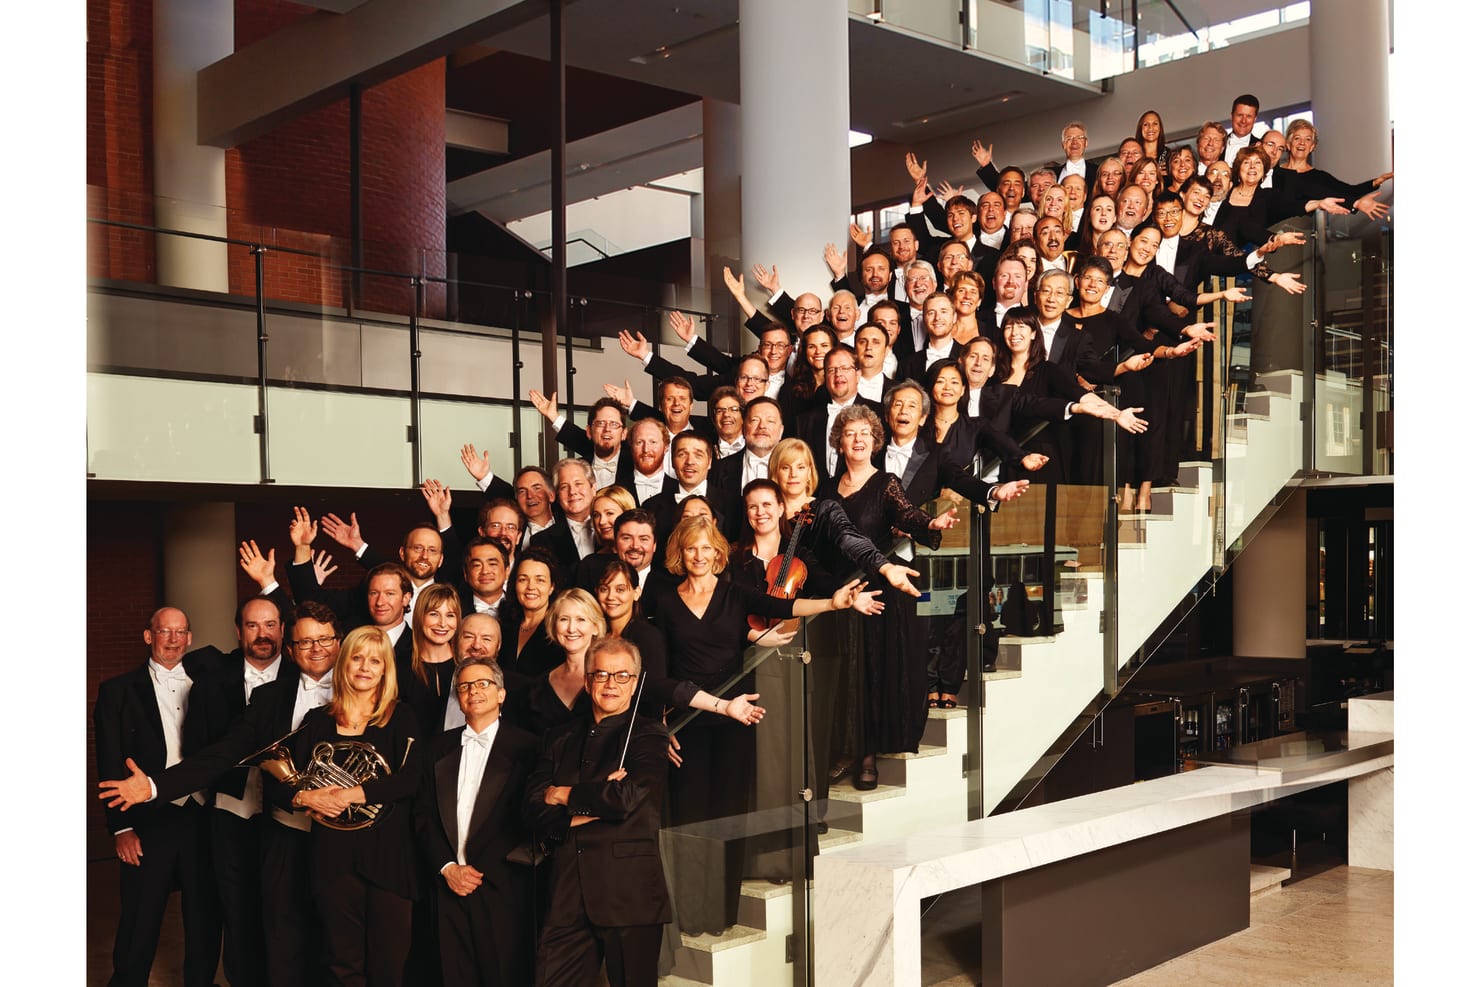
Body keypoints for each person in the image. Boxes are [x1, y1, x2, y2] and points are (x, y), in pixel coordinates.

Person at [646, 516, 876, 935]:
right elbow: (659, 672)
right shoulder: (663, 601)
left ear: (718, 554)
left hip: (736, 716)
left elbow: (784, 607)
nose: (699, 556)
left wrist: (832, 603)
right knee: (689, 821)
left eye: (707, 548)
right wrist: (661, 725)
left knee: (728, 817)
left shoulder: (734, 594)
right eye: (691, 548)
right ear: (680, 553)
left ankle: (719, 914)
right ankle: (688, 915)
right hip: (688, 722)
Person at [97, 601, 346, 987]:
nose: (316, 649)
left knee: (327, 923)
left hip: (335, 831)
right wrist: (148, 792)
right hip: (230, 815)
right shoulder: (243, 688)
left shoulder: (359, 684)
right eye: (251, 625)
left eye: (324, 640)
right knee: (251, 915)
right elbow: (216, 753)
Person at [823, 405, 957, 790]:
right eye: (850, 433)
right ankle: (842, 748)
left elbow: (908, 515)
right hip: (839, 594)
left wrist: (931, 523)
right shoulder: (828, 489)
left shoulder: (887, 482)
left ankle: (866, 756)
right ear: (840, 442)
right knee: (842, 678)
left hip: (880, 591)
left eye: (865, 432)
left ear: (875, 440)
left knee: (870, 675)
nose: (859, 439)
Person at [525, 636, 672, 987]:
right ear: (588, 680)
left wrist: (562, 793)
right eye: (602, 675)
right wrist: (587, 803)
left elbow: (624, 798)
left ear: (635, 683)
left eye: (621, 676)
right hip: (565, 893)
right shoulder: (558, 737)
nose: (610, 684)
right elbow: (530, 808)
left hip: (628, 893)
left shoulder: (650, 735)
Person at [93, 606, 222, 987]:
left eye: (180, 632)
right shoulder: (116, 691)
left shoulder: (212, 680)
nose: (173, 639)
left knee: (204, 912)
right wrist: (122, 828)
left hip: (202, 812)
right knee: (141, 914)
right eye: (164, 631)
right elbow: (110, 764)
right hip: (148, 817)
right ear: (148, 636)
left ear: (190, 638)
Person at [289, 625, 423, 987]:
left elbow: (411, 779)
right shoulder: (317, 721)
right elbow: (296, 782)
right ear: (344, 663)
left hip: (389, 857)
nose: (364, 667)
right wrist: (305, 797)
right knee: (340, 961)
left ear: (385, 670)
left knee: (389, 965)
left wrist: (351, 794)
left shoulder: (402, 717)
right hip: (332, 856)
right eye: (357, 658)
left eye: (374, 661)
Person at [415, 657, 540, 987]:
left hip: (503, 886)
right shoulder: (437, 746)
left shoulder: (529, 748)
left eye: (483, 683)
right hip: (447, 884)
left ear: (501, 694)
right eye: (465, 686)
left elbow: (529, 818)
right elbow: (422, 815)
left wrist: (483, 871)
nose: (473, 691)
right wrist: (447, 867)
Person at [401, 582, 464, 736]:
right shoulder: (400, 666)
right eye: (434, 614)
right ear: (420, 616)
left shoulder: (466, 667)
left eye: (450, 615)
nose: (442, 624)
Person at [500, 548, 565, 678]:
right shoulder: (505, 624)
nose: (531, 587)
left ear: (552, 587)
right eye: (523, 579)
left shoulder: (560, 629)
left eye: (540, 580)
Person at [1137, 109, 1168, 173]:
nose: (1150, 128)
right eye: (1146, 124)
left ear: (1160, 128)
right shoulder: (1135, 156)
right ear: (1140, 128)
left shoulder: (1168, 155)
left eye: (1155, 124)